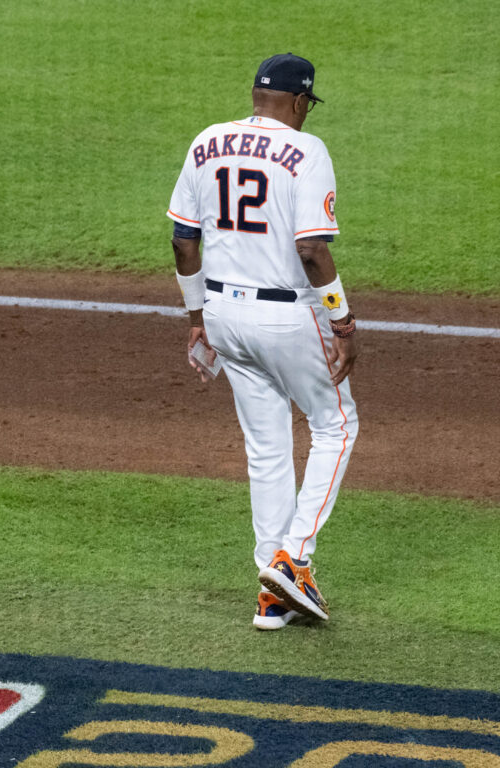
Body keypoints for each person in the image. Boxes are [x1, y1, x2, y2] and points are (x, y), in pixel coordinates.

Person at [166, 53, 358, 630]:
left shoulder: (206, 141)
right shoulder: (308, 150)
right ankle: (293, 560)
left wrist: (196, 317)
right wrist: (343, 322)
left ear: (255, 94)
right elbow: (311, 249)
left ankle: (272, 598)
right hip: (286, 319)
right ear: (299, 102)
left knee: (267, 447)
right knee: (336, 425)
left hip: (222, 313)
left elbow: (182, 240)